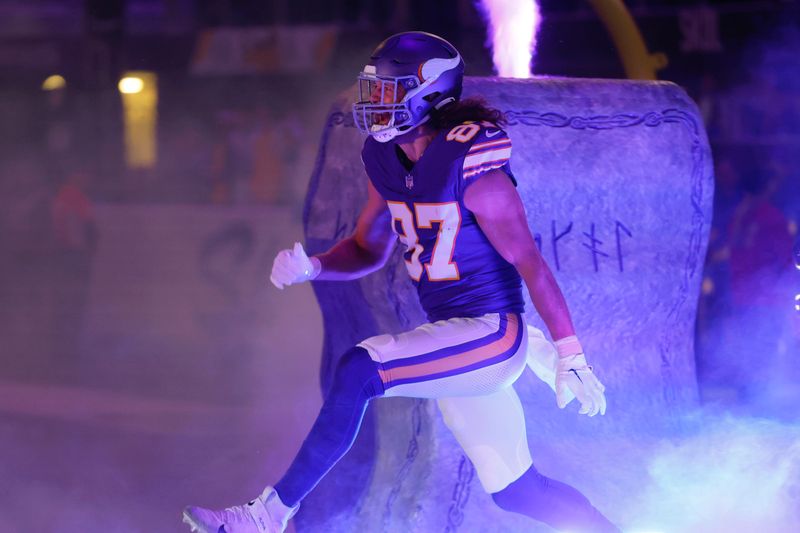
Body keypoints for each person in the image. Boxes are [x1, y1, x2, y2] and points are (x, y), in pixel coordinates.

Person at [183, 31, 618, 533]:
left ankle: (265, 516)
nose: (374, 102)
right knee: (518, 492)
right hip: (461, 335)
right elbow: (370, 249)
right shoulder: (386, 159)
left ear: (429, 94)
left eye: (389, 90)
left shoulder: (470, 164)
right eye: (373, 89)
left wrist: (570, 353)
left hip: (491, 334)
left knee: (359, 370)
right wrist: (317, 267)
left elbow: (530, 263)